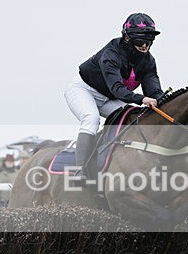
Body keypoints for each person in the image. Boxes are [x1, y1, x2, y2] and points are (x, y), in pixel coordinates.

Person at [64, 12, 164, 184]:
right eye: (140, 41)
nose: (144, 46)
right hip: (84, 90)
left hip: (109, 98)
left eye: (149, 41)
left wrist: (168, 100)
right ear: (127, 37)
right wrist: (141, 99)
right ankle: (80, 170)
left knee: (131, 120)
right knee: (91, 118)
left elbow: (154, 91)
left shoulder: (148, 61)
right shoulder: (111, 53)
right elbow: (117, 89)